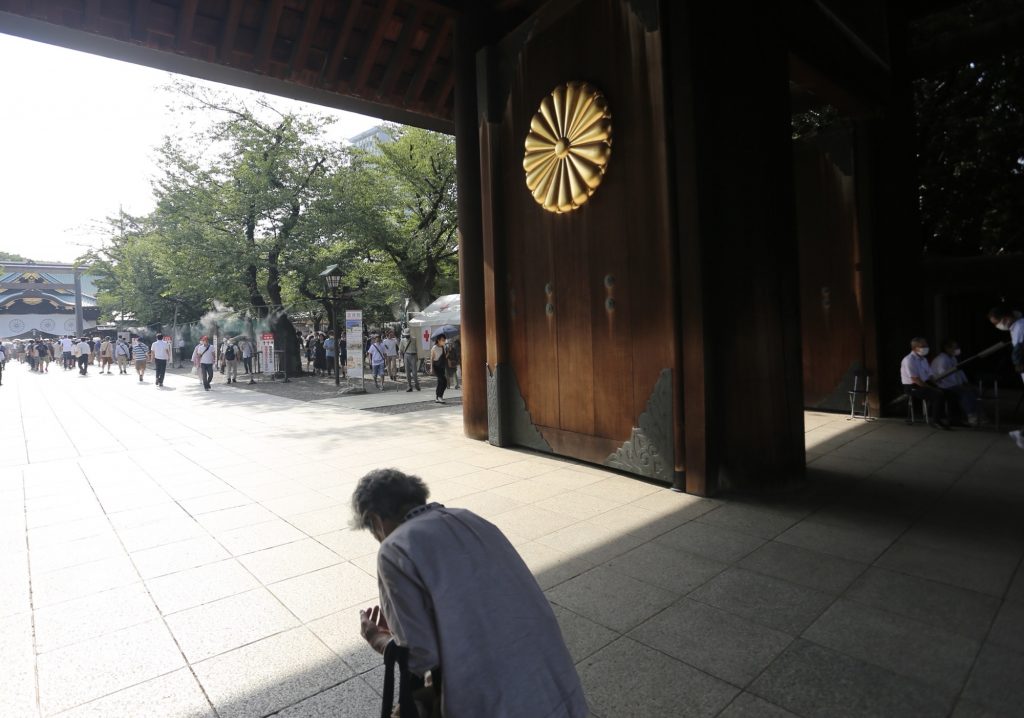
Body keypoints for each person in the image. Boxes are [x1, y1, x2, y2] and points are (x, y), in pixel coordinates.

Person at [353, 469, 588, 718]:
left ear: (375, 520)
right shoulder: (471, 518)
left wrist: (381, 641)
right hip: (559, 689)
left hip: (497, 704)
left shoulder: (395, 549)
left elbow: (422, 657)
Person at [989, 306, 1024, 449]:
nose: (997, 326)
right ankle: (1021, 434)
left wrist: (1017, 363)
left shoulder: (1020, 326)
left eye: (996, 322)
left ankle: (1021, 434)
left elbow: (1019, 348)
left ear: (1006, 318)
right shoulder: (1016, 326)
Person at [900, 337, 949, 429]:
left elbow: (930, 375)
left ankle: (948, 418)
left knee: (946, 390)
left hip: (924, 383)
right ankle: (936, 421)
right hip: (913, 386)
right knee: (937, 394)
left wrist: (938, 384)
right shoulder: (909, 360)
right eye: (923, 346)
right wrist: (932, 388)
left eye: (926, 345)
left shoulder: (923, 359)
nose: (926, 347)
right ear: (915, 348)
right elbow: (916, 379)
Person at [931, 340, 980, 426]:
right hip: (945, 385)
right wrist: (959, 385)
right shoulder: (942, 359)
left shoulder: (953, 358)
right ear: (947, 348)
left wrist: (965, 382)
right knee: (965, 392)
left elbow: (959, 371)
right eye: (955, 347)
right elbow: (943, 375)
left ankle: (976, 414)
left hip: (955, 384)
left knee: (974, 390)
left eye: (957, 347)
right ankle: (971, 415)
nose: (957, 349)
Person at [399, 328, 420, 392]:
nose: (406, 336)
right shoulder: (402, 340)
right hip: (406, 356)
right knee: (407, 372)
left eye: (407, 335)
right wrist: (400, 356)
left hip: (413, 355)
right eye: (405, 335)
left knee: (414, 372)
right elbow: (400, 349)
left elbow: (417, 348)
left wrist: (418, 356)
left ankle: (417, 384)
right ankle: (409, 386)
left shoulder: (414, 339)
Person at [431, 333, 448, 403]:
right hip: (436, 366)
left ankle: (438, 397)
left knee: (440, 382)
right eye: (442, 340)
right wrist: (431, 368)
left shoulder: (443, 347)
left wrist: (448, 352)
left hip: (442, 366)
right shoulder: (434, 348)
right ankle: (439, 396)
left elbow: (445, 357)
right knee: (443, 381)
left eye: (444, 340)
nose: (443, 341)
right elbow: (431, 358)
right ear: (438, 340)